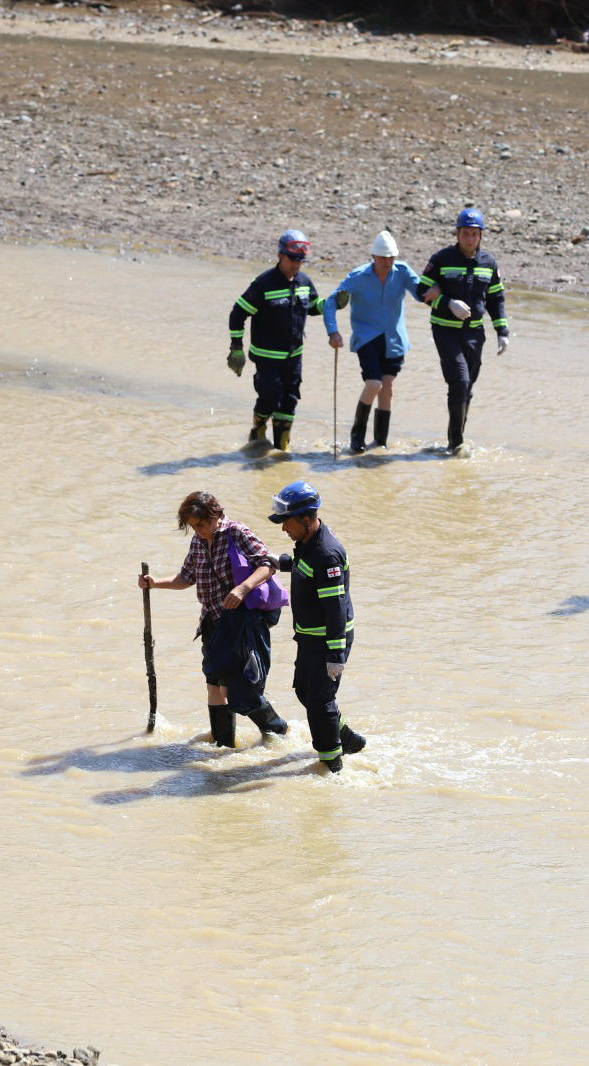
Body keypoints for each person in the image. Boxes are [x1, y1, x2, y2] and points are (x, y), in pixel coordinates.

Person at [138, 491, 289, 746]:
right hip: (211, 619)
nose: (198, 531)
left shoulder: (237, 532)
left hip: (240, 621)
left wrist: (242, 589)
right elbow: (186, 577)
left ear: (216, 516)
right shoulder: (197, 542)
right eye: (193, 527)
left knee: (238, 687)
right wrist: (155, 583)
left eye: (202, 525)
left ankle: (277, 731)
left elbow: (268, 564)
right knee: (214, 683)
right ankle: (222, 744)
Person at [269, 480, 366, 773]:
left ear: (306, 519)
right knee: (304, 692)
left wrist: (335, 656)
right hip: (310, 637)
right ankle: (346, 739)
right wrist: (280, 561)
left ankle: (331, 766)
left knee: (320, 700)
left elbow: (334, 608)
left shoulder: (326, 554)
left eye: (287, 523)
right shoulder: (308, 543)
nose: (284, 528)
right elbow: (302, 563)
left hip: (327, 640)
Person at [416, 208, 511, 456]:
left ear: (481, 236)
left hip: (474, 335)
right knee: (460, 381)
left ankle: (454, 440)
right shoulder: (441, 259)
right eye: (465, 234)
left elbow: (496, 298)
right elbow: (420, 292)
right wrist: (447, 302)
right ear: (457, 234)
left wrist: (502, 331)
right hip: (446, 331)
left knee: (466, 388)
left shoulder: (489, 263)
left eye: (474, 234)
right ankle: (457, 444)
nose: (470, 239)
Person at [322, 230, 423, 453]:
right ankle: (356, 438)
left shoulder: (403, 271)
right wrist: (333, 332)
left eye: (392, 257)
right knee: (374, 384)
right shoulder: (358, 277)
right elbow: (331, 303)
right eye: (383, 257)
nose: (388, 262)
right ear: (373, 257)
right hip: (367, 338)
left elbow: (421, 292)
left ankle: (380, 442)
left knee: (387, 388)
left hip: (395, 339)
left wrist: (438, 292)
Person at [228, 229, 326, 453]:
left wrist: (331, 304)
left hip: (294, 356)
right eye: (293, 259)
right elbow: (237, 313)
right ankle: (259, 428)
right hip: (266, 357)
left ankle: (281, 449)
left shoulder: (304, 282)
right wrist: (236, 348)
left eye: (301, 260)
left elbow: (312, 307)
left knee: (290, 401)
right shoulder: (264, 284)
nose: (297, 264)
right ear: (280, 255)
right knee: (270, 397)